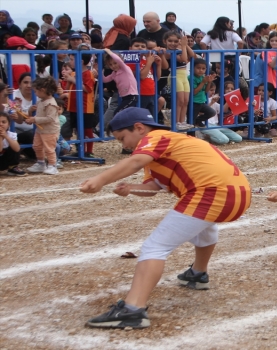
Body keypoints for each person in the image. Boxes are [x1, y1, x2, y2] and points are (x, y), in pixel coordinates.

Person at [81, 107, 251, 329]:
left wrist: (100, 179)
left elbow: (135, 162)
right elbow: (154, 187)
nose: (124, 145)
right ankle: (197, 274)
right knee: (203, 227)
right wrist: (131, 188)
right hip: (238, 193)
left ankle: (132, 310)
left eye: (123, 138)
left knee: (154, 246)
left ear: (139, 128)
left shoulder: (156, 137)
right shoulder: (167, 148)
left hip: (211, 193)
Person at [23, 77, 59, 175]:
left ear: (42, 90)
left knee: (49, 148)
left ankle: (53, 165)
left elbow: (50, 118)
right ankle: (41, 163)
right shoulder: (41, 101)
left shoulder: (51, 103)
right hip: (40, 130)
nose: (35, 93)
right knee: (37, 146)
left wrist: (34, 119)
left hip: (50, 131)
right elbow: (40, 115)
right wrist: (31, 115)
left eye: (36, 91)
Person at [161, 31, 195, 130]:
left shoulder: (179, 49)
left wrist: (185, 45)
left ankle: (182, 121)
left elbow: (192, 55)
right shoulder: (168, 52)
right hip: (175, 76)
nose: (173, 43)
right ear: (165, 41)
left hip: (183, 76)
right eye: (170, 41)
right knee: (179, 100)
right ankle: (176, 122)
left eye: (176, 41)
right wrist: (183, 46)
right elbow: (184, 59)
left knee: (185, 101)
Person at [65, 52, 97, 157]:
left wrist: (72, 80)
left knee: (87, 129)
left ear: (81, 61)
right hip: (74, 106)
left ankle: (89, 151)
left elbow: (87, 89)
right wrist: (68, 79)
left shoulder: (88, 74)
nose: (70, 62)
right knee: (78, 130)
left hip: (85, 107)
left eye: (72, 59)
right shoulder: (74, 73)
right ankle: (80, 150)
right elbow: (68, 87)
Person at [129, 38, 162, 116]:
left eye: (143, 46)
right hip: (140, 94)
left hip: (151, 92)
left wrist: (159, 65)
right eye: (136, 46)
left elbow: (157, 77)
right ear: (130, 48)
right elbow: (142, 76)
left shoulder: (146, 59)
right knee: (139, 118)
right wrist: (149, 62)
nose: (140, 48)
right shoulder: (130, 60)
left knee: (151, 118)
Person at [103, 48, 139, 115]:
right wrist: (99, 72)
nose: (113, 66)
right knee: (124, 114)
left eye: (115, 63)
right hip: (124, 97)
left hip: (132, 96)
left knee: (118, 113)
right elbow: (105, 80)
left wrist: (110, 52)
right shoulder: (114, 73)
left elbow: (118, 59)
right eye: (110, 65)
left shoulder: (124, 68)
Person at [10, 73, 37, 158]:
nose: (29, 85)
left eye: (32, 83)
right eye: (25, 82)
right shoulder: (13, 95)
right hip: (15, 129)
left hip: (33, 130)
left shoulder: (39, 95)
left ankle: (23, 149)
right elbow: (19, 120)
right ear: (19, 84)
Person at [190, 58, 217, 128]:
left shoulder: (203, 77)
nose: (201, 70)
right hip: (194, 102)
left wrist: (209, 82)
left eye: (203, 68)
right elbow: (194, 92)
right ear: (193, 68)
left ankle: (198, 120)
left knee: (212, 112)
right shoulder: (191, 78)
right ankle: (191, 136)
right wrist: (203, 82)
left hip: (202, 101)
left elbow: (206, 91)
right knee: (190, 123)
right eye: (198, 68)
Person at [0, 110, 26, 176]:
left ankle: (12, 167)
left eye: (3, 122)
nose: (1, 124)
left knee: (14, 145)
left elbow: (17, 149)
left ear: (8, 124)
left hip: (5, 160)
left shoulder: (11, 135)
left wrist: (6, 136)